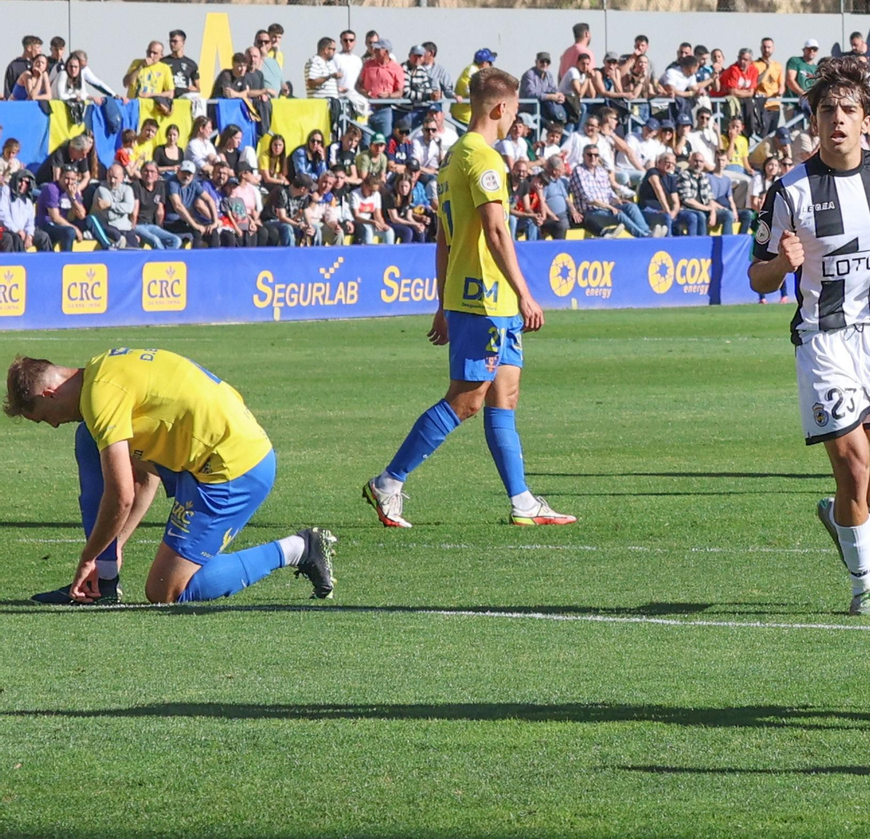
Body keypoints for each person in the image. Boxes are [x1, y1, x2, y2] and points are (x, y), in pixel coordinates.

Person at [747, 57, 870, 618]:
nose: (837, 119)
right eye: (827, 109)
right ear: (814, 119)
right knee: (854, 467)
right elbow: (757, 275)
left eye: (848, 110)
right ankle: (864, 587)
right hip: (824, 340)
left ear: (868, 118)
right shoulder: (789, 190)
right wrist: (781, 264)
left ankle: (841, 515)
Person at [364, 68, 573, 529]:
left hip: (478, 298)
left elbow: (444, 238)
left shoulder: (452, 157)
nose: (517, 119)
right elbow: (496, 230)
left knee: (505, 395)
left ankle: (522, 502)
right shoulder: (482, 159)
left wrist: (442, 303)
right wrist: (525, 293)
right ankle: (388, 482)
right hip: (486, 297)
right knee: (468, 399)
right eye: (516, 110)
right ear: (500, 108)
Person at [5, 351, 335, 605]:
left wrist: (88, 556)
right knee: (89, 439)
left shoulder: (100, 399)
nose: (51, 425)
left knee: (166, 590)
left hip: (233, 469)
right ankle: (104, 582)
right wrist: (112, 550)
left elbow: (122, 497)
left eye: (43, 418)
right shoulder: (102, 370)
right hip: (200, 456)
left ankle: (299, 548)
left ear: (49, 394)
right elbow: (144, 478)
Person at [130, 160, 183, 249]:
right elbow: (134, 211)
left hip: (151, 225)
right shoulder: (136, 185)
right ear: (141, 173)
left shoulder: (160, 186)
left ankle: (165, 259)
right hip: (138, 225)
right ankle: (162, 261)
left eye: (152, 171)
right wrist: (132, 232)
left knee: (176, 240)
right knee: (155, 240)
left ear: (157, 175)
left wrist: (160, 228)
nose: (149, 174)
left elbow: (160, 211)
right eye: (146, 171)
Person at [87, 162, 140, 249]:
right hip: (109, 227)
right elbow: (110, 216)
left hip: (126, 228)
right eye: (110, 177)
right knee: (124, 248)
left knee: (137, 251)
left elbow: (130, 208)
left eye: (115, 178)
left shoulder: (127, 189)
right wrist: (122, 210)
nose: (112, 181)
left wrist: (110, 205)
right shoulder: (101, 189)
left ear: (122, 178)